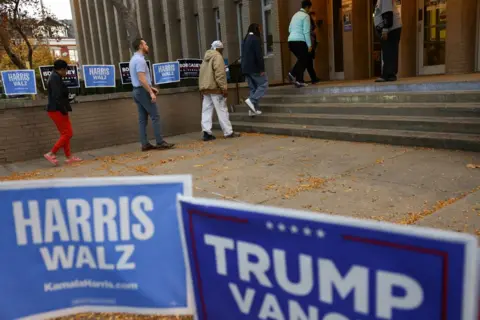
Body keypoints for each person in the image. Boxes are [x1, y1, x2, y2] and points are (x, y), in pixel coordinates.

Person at [130, 38, 174, 151]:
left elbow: (139, 79)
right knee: (155, 116)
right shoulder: (140, 60)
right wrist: (150, 92)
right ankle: (160, 142)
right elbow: (141, 78)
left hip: (136, 91)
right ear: (140, 46)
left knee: (142, 119)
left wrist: (150, 87)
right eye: (145, 44)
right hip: (142, 91)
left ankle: (145, 144)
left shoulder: (133, 59)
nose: (147, 46)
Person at [199, 40, 240, 141]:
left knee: (206, 111)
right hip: (215, 88)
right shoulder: (217, 56)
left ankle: (206, 132)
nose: (222, 51)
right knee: (222, 110)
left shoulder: (205, 58)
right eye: (221, 49)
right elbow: (220, 74)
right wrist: (223, 88)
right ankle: (228, 131)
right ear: (218, 48)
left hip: (206, 88)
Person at [44, 59, 82, 166]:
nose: (66, 73)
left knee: (65, 134)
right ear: (61, 69)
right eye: (65, 70)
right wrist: (64, 109)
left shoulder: (55, 77)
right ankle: (51, 153)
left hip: (57, 109)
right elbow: (57, 96)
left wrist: (68, 99)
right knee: (68, 133)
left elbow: (59, 95)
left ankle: (69, 157)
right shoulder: (55, 78)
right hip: (57, 110)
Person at [241, 23, 267, 117]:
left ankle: (253, 110)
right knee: (263, 84)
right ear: (256, 29)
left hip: (245, 68)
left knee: (253, 88)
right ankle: (252, 101)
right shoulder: (255, 39)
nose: (260, 31)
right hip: (254, 67)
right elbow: (258, 55)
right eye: (259, 28)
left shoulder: (245, 39)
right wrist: (262, 68)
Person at [374, 0, 402, 82]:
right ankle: (390, 74)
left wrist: (385, 29)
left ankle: (387, 74)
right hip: (391, 28)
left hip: (391, 29)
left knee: (389, 51)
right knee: (389, 51)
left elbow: (388, 14)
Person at [288, 0, 313, 88]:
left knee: (302, 60)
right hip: (300, 41)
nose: (310, 9)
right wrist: (309, 45)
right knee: (304, 59)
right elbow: (306, 32)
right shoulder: (305, 16)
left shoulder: (295, 15)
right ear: (307, 7)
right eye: (310, 8)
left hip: (291, 41)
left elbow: (289, 29)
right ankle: (292, 73)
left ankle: (299, 81)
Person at [306, 11, 320, 84]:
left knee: (309, 63)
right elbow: (311, 35)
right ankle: (313, 78)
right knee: (307, 63)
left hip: (310, 45)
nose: (315, 18)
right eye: (313, 16)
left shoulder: (312, 25)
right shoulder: (310, 25)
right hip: (309, 45)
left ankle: (314, 78)